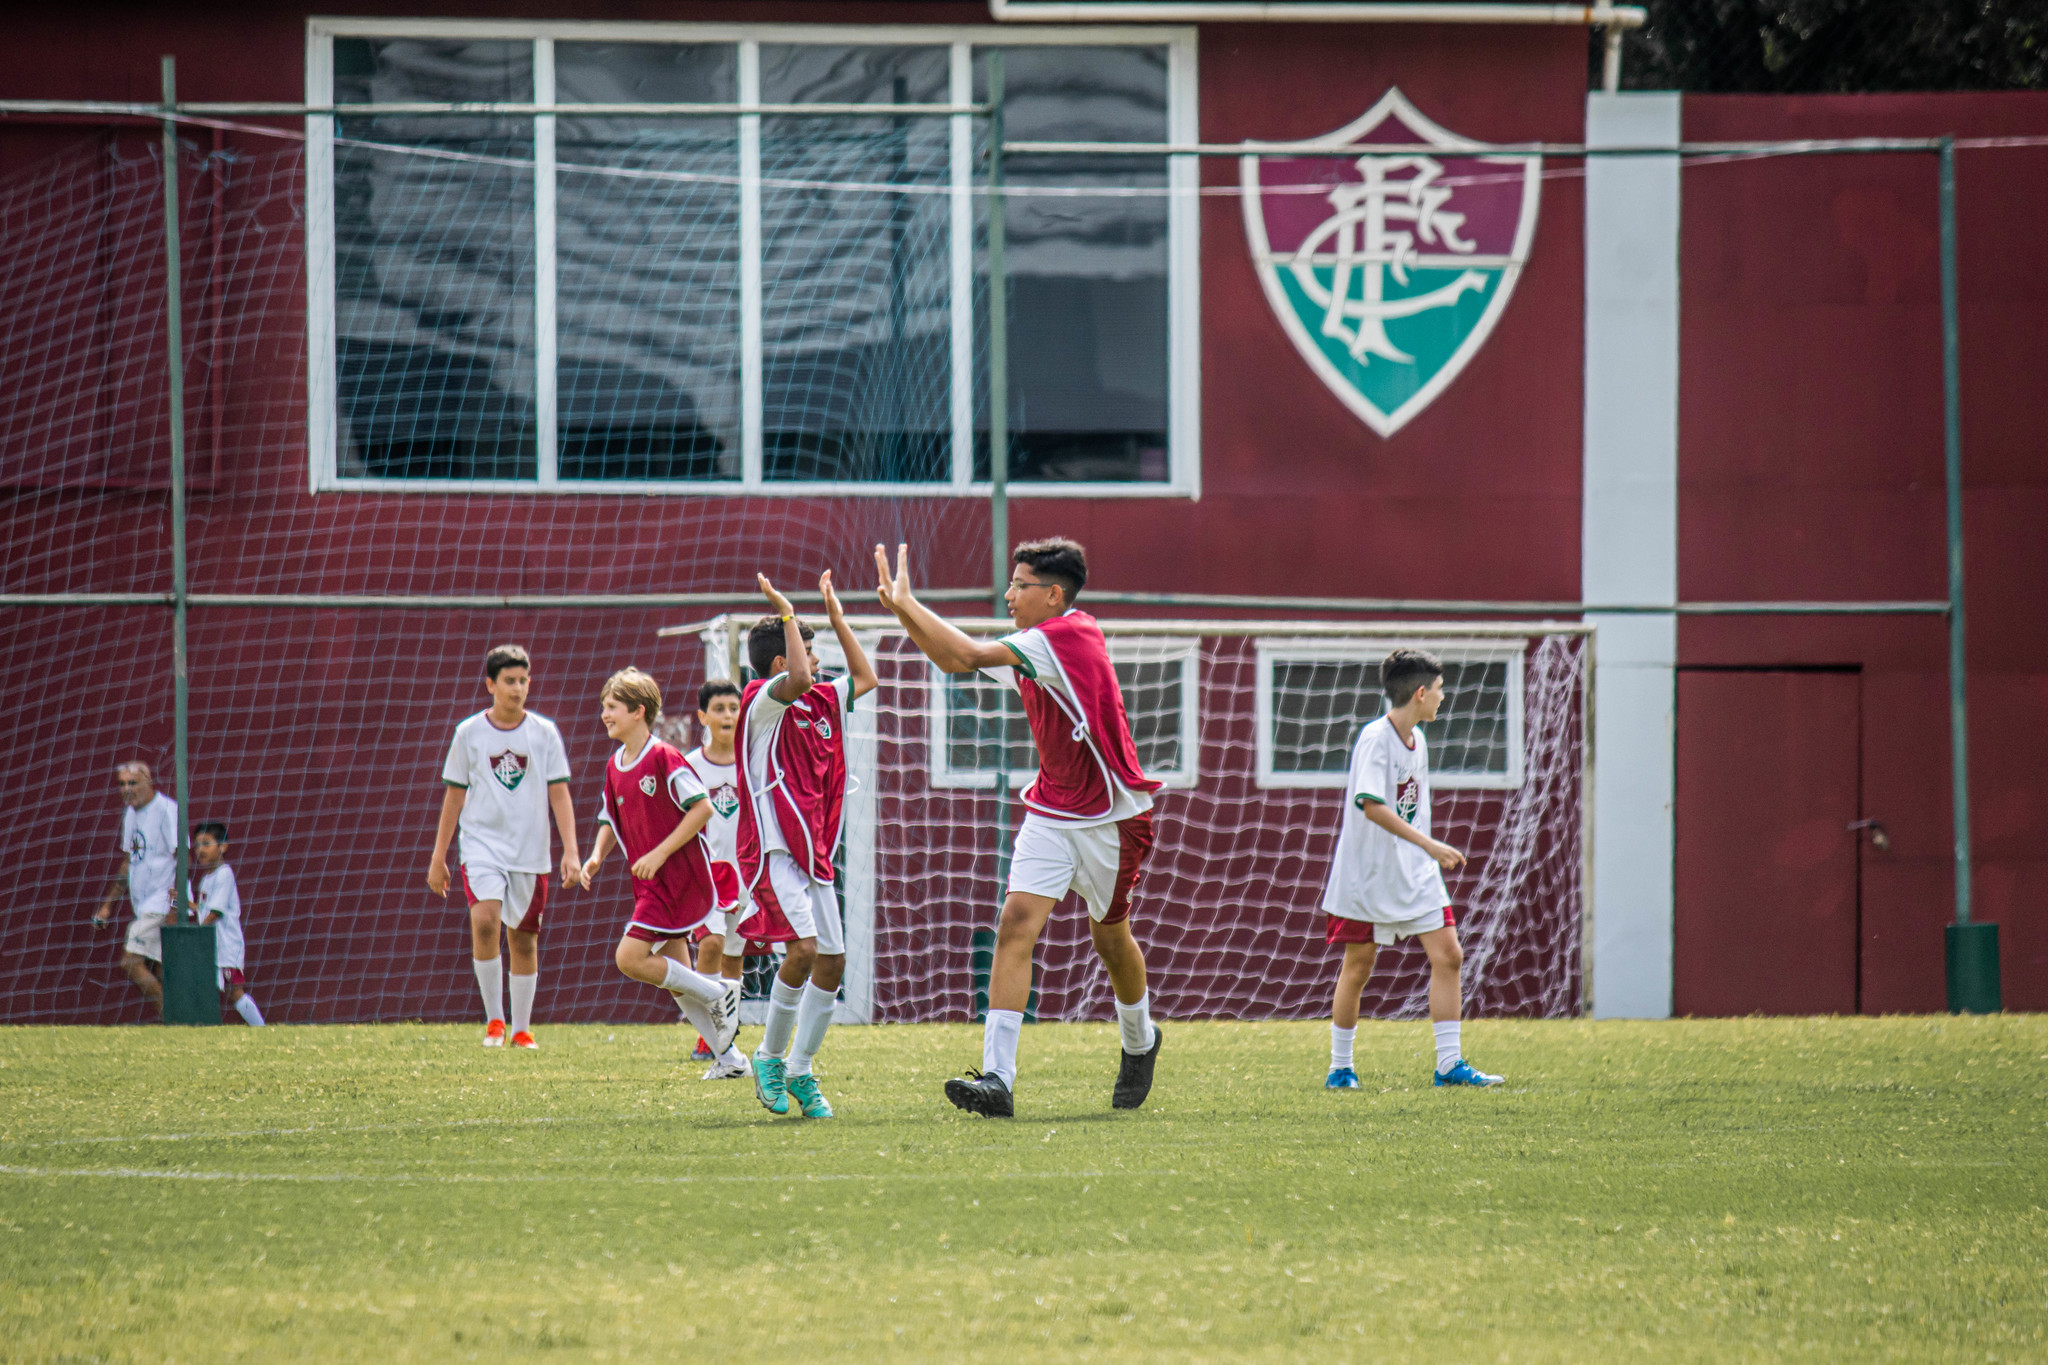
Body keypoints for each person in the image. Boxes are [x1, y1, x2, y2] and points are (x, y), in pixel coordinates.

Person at [875, 537, 1164, 1119]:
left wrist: (909, 603)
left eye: (1019, 585)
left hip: (1112, 817)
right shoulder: (1036, 646)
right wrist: (903, 609)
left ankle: (1140, 1041)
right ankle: (998, 1081)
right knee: (1014, 925)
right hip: (1053, 811)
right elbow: (952, 661)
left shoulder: (1066, 635)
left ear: (1053, 594)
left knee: (1110, 940)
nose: (1008, 594)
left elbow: (966, 654)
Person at [1321, 648, 1502, 1090]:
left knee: (1450, 955)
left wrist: (1423, 851)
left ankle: (1449, 1065)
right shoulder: (1374, 738)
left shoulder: (1418, 740)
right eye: (1439, 689)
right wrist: (1430, 844)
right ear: (1420, 693)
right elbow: (1371, 806)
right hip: (1369, 875)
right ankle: (1340, 1069)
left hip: (1415, 871)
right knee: (1359, 965)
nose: (1443, 696)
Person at [733, 571, 878, 1120]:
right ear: (781, 661)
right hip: (775, 849)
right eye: (810, 653)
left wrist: (836, 617)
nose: (816, 664)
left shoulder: (821, 701)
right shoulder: (762, 702)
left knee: (832, 964)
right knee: (804, 952)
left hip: (813, 854)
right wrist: (788, 612)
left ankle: (800, 1067)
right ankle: (769, 1058)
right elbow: (796, 675)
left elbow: (865, 677)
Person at [581, 668, 743, 1071]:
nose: (604, 714)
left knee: (629, 958)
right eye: (603, 707)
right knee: (677, 980)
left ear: (638, 711)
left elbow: (702, 808)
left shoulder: (663, 756)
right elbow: (610, 818)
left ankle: (717, 991)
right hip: (650, 884)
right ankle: (730, 1058)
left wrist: (659, 853)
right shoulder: (615, 765)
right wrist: (597, 856)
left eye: (612, 707)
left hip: (677, 880)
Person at [427, 644, 583, 1049]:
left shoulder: (544, 732)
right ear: (490, 684)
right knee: (484, 922)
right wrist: (439, 856)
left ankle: (522, 1029)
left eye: (523, 680)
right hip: (481, 846)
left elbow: (559, 793)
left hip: (530, 852)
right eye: (509, 681)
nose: (517, 688)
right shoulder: (469, 733)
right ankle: (495, 1021)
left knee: (524, 938)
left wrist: (571, 851)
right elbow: (454, 795)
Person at [682, 679, 754, 1078]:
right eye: (720, 708)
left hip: (745, 872)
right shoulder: (690, 765)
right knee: (710, 944)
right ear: (703, 716)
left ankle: (726, 1029)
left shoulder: (752, 763)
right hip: (704, 874)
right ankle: (706, 1032)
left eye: (734, 708)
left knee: (733, 954)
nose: (728, 715)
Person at [91, 761, 179, 1018]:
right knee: (162, 969)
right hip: (142, 905)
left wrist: (175, 906)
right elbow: (129, 860)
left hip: (161, 903)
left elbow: (183, 856)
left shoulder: (166, 809)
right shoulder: (130, 814)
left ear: (148, 782)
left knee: (130, 962)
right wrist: (108, 906)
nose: (127, 789)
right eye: (122, 784)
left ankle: (171, 1018)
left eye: (133, 783)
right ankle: (181, 1024)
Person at [189, 821, 266, 1026]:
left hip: (226, 947)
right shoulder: (206, 879)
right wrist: (177, 902)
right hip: (212, 947)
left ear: (223, 847)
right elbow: (202, 909)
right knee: (210, 989)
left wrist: (197, 935)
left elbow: (214, 912)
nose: (200, 850)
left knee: (235, 992)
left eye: (206, 844)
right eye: (197, 845)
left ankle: (261, 1029)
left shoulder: (224, 874)